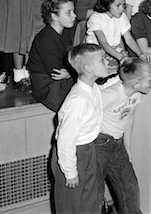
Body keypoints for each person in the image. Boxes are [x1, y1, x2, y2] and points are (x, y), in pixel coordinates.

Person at [51, 43, 109, 214]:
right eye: (102, 60)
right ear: (88, 68)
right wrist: (70, 172)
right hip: (71, 154)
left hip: (88, 150)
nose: (107, 62)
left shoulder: (93, 88)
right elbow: (65, 140)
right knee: (71, 205)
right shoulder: (78, 100)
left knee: (90, 200)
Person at [96, 57, 151, 214]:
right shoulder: (111, 94)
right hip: (99, 145)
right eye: (150, 79)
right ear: (136, 84)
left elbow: (128, 119)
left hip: (117, 144)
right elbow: (85, 113)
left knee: (130, 189)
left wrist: (127, 148)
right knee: (94, 193)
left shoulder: (136, 94)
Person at [86, 0, 151, 70]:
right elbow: (104, 44)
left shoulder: (122, 17)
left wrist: (140, 53)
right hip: (95, 53)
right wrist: (121, 57)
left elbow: (129, 39)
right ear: (106, 4)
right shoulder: (96, 18)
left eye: (123, 5)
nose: (122, 9)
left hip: (113, 51)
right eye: (118, 5)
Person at [28, 0, 76, 112]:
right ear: (54, 16)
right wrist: (72, 72)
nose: (74, 16)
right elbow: (56, 72)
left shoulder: (65, 32)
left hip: (63, 76)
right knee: (73, 104)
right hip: (46, 83)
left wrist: (71, 71)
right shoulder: (46, 39)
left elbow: (70, 59)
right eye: (68, 13)